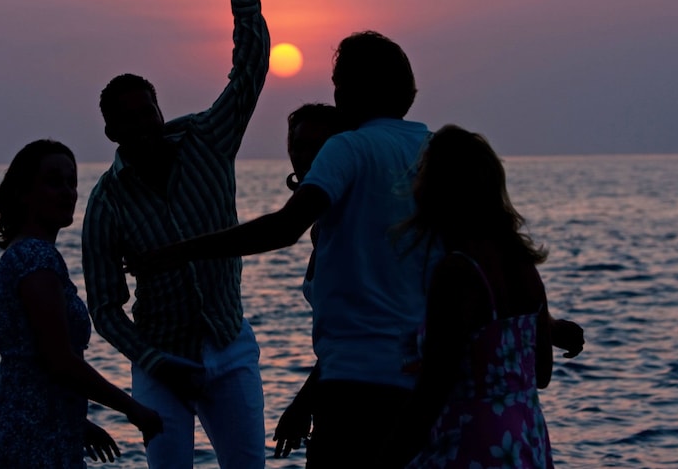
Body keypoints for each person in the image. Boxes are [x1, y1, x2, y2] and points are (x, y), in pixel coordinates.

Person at [134, 30, 432, 468]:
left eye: (338, 82)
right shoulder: (436, 149)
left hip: (355, 387)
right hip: (425, 382)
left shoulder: (347, 147)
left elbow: (284, 226)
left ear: (351, 89)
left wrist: (178, 252)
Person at [81, 0, 270, 469]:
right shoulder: (106, 203)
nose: (144, 128)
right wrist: (154, 359)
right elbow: (104, 307)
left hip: (229, 344)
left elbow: (248, 74)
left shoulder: (207, 140)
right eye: (130, 122)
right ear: (111, 131)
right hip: (161, 359)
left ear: (160, 110)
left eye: (149, 114)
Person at [0, 139, 162, 469]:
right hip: (33, 444)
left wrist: (78, 422)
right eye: (53, 182)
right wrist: (133, 409)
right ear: (23, 192)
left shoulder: (25, 255)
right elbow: (59, 361)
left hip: (45, 432)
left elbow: (31, 366)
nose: (67, 192)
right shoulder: (35, 259)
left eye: (72, 182)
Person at [391, 125, 555, 468]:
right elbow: (540, 372)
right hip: (526, 437)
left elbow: (434, 389)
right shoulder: (524, 265)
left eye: (422, 173)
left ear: (441, 190)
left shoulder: (458, 271)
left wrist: (387, 458)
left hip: (472, 440)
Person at [273, 103, 346, 459]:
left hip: (357, 394)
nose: (305, 156)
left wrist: (302, 404)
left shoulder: (348, 222)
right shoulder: (323, 225)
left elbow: (350, 333)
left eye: (318, 147)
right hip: (334, 388)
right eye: (298, 146)